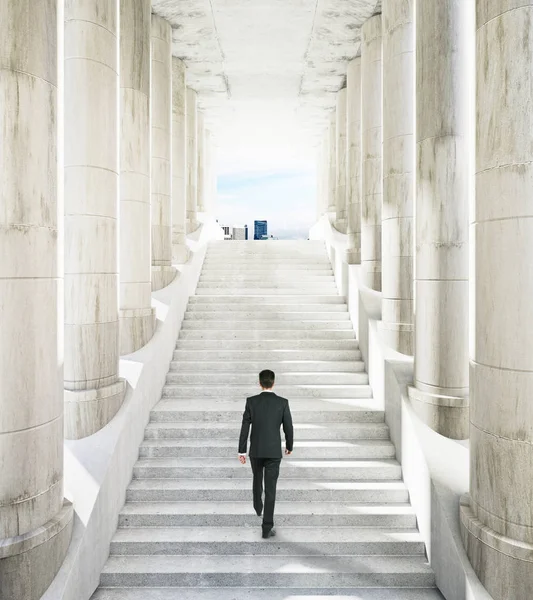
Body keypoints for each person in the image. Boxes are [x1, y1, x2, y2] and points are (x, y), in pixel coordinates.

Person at [238, 369, 294, 539]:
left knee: (256, 479)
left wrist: (242, 450)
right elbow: (288, 427)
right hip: (273, 452)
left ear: (260, 383)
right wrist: (289, 446)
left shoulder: (251, 402)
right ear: (273, 383)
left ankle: (257, 506)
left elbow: (245, 427)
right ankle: (267, 527)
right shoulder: (282, 402)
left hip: (256, 450)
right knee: (271, 489)